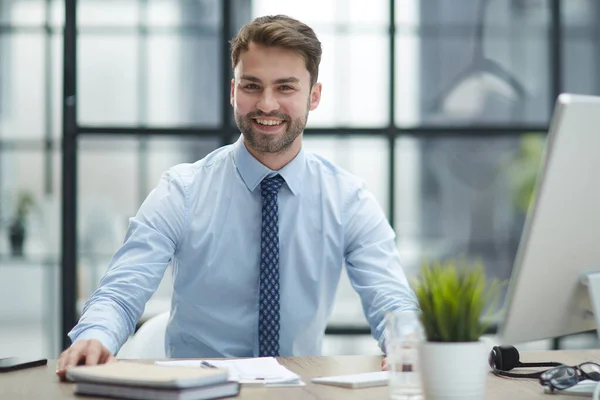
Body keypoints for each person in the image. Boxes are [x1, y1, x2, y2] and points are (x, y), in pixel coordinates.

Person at [56, 14, 418, 379]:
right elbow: (121, 290)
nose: (266, 104)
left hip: (297, 390)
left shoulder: (347, 200)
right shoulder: (182, 192)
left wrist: (406, 344)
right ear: (233, 92)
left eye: (286, 88)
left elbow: (391, 299)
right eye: (251, 86)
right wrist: (95, 336)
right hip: (198, 389)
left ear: (315, 95)